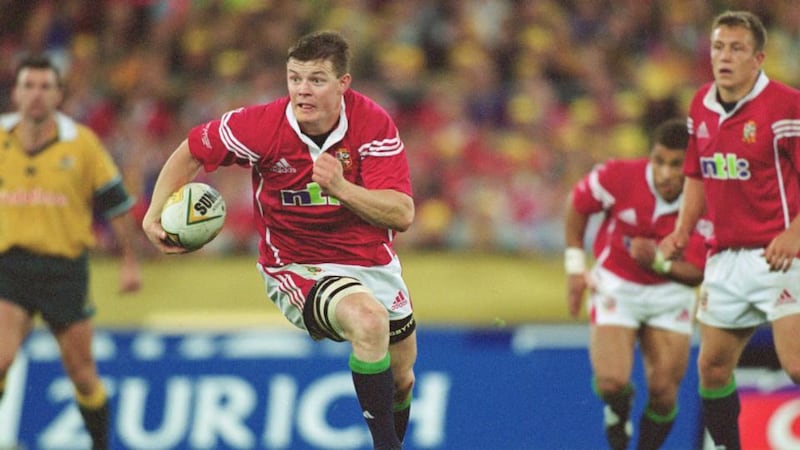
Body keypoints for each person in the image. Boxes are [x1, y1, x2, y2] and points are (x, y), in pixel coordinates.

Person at [142, 30, 416, 450]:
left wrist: (341, 188)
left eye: (317, 79)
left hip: (373, 262)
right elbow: (193, 149)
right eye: (294, 78)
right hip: (297, 265)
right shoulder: (261, 125)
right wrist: (153, 212)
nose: (302, 90)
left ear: (344, 83)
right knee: (369, 321)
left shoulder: (374, 124)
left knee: (401, 380)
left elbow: (402, 213)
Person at [659, 10, 800, 450]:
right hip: (726, 258)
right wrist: (683, 230)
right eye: (719, 47)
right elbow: (697, 173)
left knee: (796, 365)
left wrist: (796, 232)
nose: (725, 57)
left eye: (737, 48)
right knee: (713, 368)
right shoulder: (700, 103)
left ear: (758, 58)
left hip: (780, 254)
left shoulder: (786, 107)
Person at [0, 56, 142, 450]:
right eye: (29, 86)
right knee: (0, 359)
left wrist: (129, 261)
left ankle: (100, 445)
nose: (36, 95)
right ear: (15, 93)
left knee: (82, 374)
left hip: (64, 268)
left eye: (46, 87)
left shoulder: (81, 143)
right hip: (9, 266)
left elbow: (115, 203)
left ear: (59, 95)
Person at [565, 118, 708, 450]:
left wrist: (658, 262)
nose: (665, 172)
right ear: (650, 157)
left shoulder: (706, 197)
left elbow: (697, 273)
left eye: (676, 164)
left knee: (663, 394)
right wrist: (575, 269)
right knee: (611, 382)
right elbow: (577, 206)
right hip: (617, 284)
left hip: (671, 294)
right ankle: (618, 409)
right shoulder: (618, 176)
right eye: (659, 160)